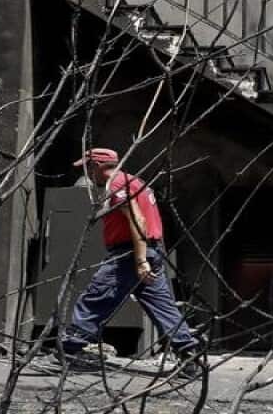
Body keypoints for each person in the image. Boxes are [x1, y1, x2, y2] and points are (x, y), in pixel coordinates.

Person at [58, 147, 201, 375]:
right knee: (162, 306)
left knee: (96, 297)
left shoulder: (116, 184)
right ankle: (189, 355)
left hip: (130, 253)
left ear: (96, 166)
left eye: (87, 168)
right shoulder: (134, 181)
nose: (87, 174)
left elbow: (138, 220)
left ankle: (69, 349)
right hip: (151, 249)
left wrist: (140, 260)